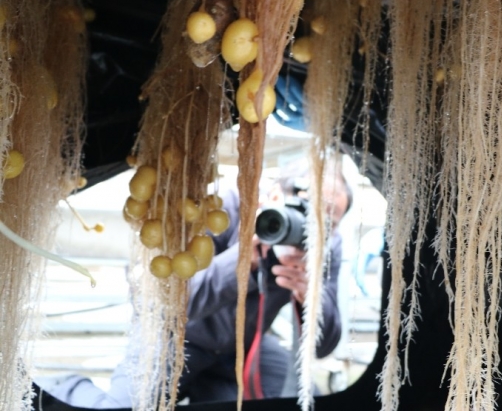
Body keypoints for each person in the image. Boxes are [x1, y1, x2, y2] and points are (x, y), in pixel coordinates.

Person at [41, 163, 351, 406]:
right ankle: (70, 387)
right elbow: (169, 304)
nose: (313, 227)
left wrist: (309, 296)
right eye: (306, 210)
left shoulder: (326, 247)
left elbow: (324, 346)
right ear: (274, 197)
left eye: (329, 221)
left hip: (237, 349)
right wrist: (244, 259)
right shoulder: (226, 206)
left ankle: (212, 390)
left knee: (307, 396)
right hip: (173, 337)